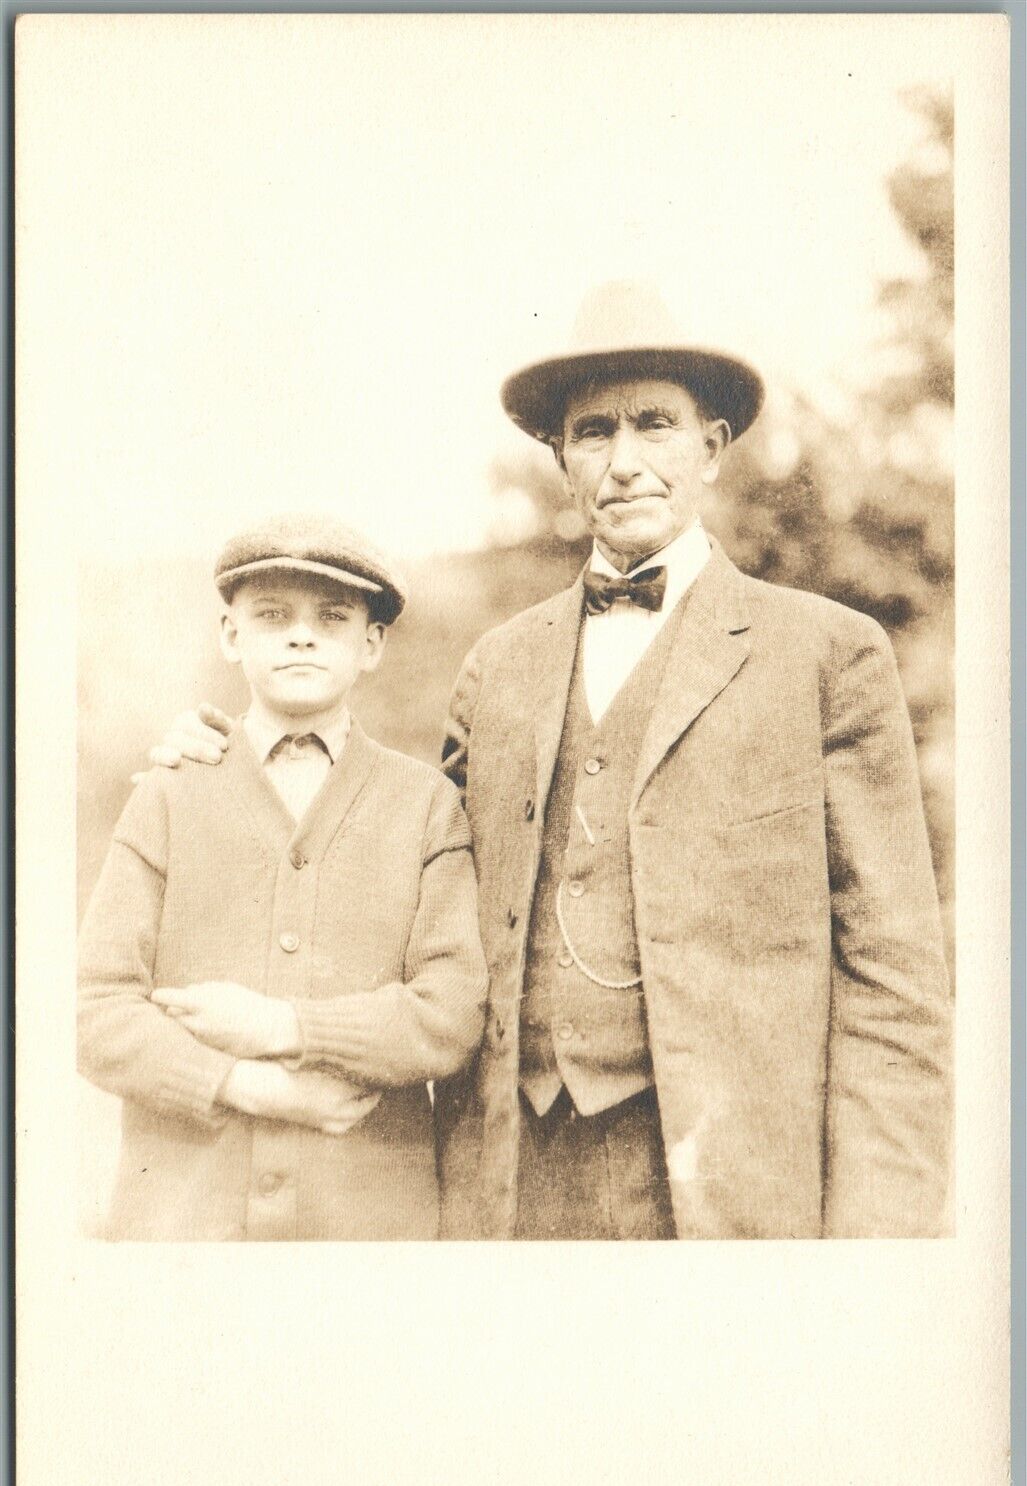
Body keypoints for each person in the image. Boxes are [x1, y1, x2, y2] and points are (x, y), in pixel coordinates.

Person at [149, 283, 953, 1241]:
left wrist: (876, 1247)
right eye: (591, 433)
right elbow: (388, 867)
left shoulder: (827, 655)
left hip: (730, 1197)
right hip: (510, 1181)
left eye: (655, 425)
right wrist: (236, 762)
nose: (624, 462)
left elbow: (894, 989)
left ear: (713, 444)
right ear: (561, 460)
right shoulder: (498, 667)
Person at [78, 516, 488, 1240]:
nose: (301, 636)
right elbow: (96, 1013)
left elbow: (448, 1014)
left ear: (371, 646)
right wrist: (248, 1086)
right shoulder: (169, 793)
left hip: (364, 1223)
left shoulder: (426, 806)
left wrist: (285, 1027)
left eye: (332, 619)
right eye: (272, 616)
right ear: (231, 636)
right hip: (184, 1222)